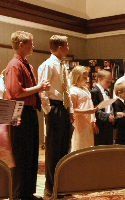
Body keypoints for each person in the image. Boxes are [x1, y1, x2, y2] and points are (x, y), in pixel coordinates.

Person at [5, 31, 49, 200]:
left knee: (31, 154)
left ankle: (27, 192)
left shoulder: (27, 65)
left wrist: (38, 89)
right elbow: (16, 92)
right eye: (31, 43)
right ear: (21, 44)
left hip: (29, 112)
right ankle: (17, 194)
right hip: (19, 113)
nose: (33, 46)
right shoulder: (14, 65)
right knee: (20, 154)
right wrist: (39, 88)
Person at [38, 35, 74, 197]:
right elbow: (43, 89)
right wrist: (48, 110)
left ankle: (62, 184)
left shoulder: (62, 65)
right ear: (60, 47)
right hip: (55, 107)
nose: (68, 48)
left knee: (64, 148)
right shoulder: (48, 65)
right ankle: (51, 187)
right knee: (53, 149)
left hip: (64, 107)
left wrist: (70, 110)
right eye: (66, 45)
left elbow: (66, 89)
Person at [70, 66, 98, 151]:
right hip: (80, 123)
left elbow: (89, 105)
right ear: (77, 77)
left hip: (88, 122)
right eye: (84, 77)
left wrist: (93, 121)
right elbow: (73, 110)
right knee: (80, 147)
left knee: (89, 147)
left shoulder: (85, 89)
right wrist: (88, 111)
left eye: (87, 77)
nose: (87, 79)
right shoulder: (73, 91)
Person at [90, 70, 114, 145]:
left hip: (108, 122)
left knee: (108, 146)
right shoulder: (94, 92)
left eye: (110, 82)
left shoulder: (107, 91)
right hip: (100, 123)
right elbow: (94, 109)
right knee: (100, 145)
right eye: (107, 81)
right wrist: (106, 116)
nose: (109, 84)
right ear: (100, 79)